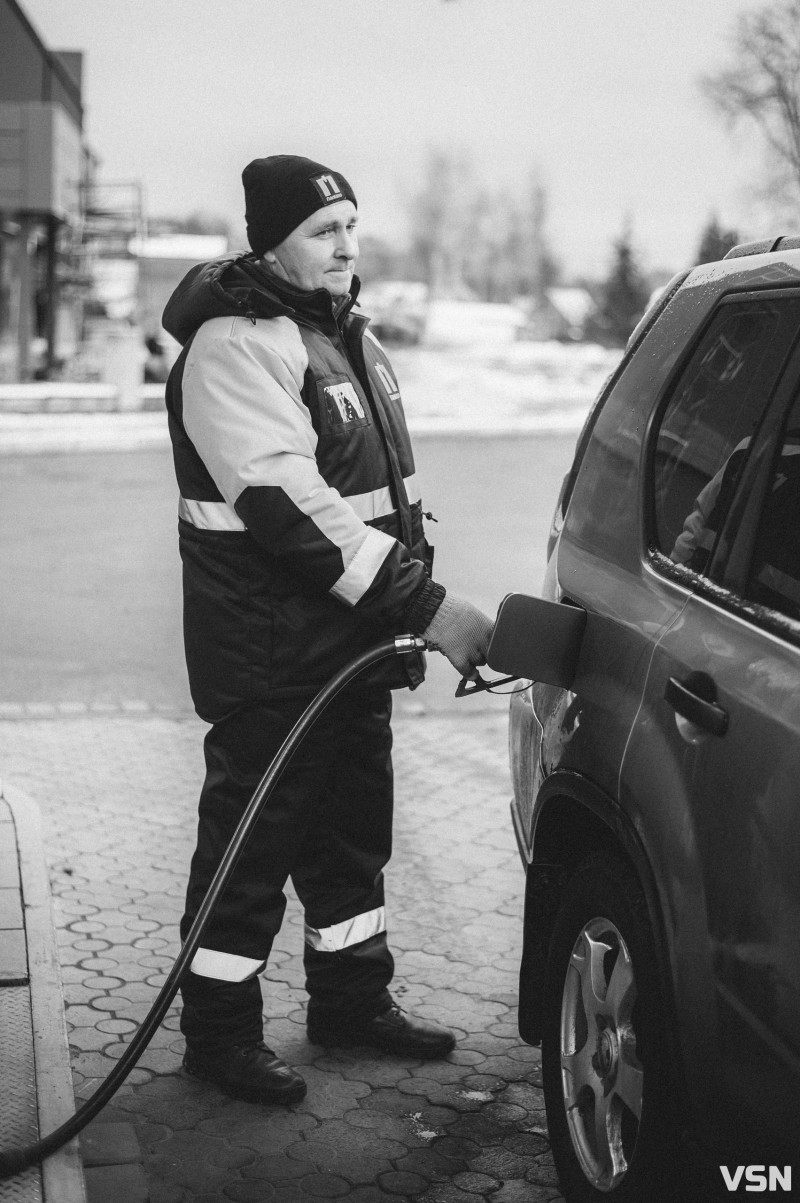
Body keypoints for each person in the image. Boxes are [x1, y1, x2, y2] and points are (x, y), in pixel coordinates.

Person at [162, 154, 494, 1107]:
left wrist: (402, 609)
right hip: (271, 657)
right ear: (272, 240)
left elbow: (386, 500)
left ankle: (351, 1000)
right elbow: (293, 511)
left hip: (348, 649)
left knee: (352, 838)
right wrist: (427, 608)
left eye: (352, 224)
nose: (346, 244)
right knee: (251, 850)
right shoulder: (237, 347)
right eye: (323, 229)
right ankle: (220, 1037)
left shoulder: (344, 336)